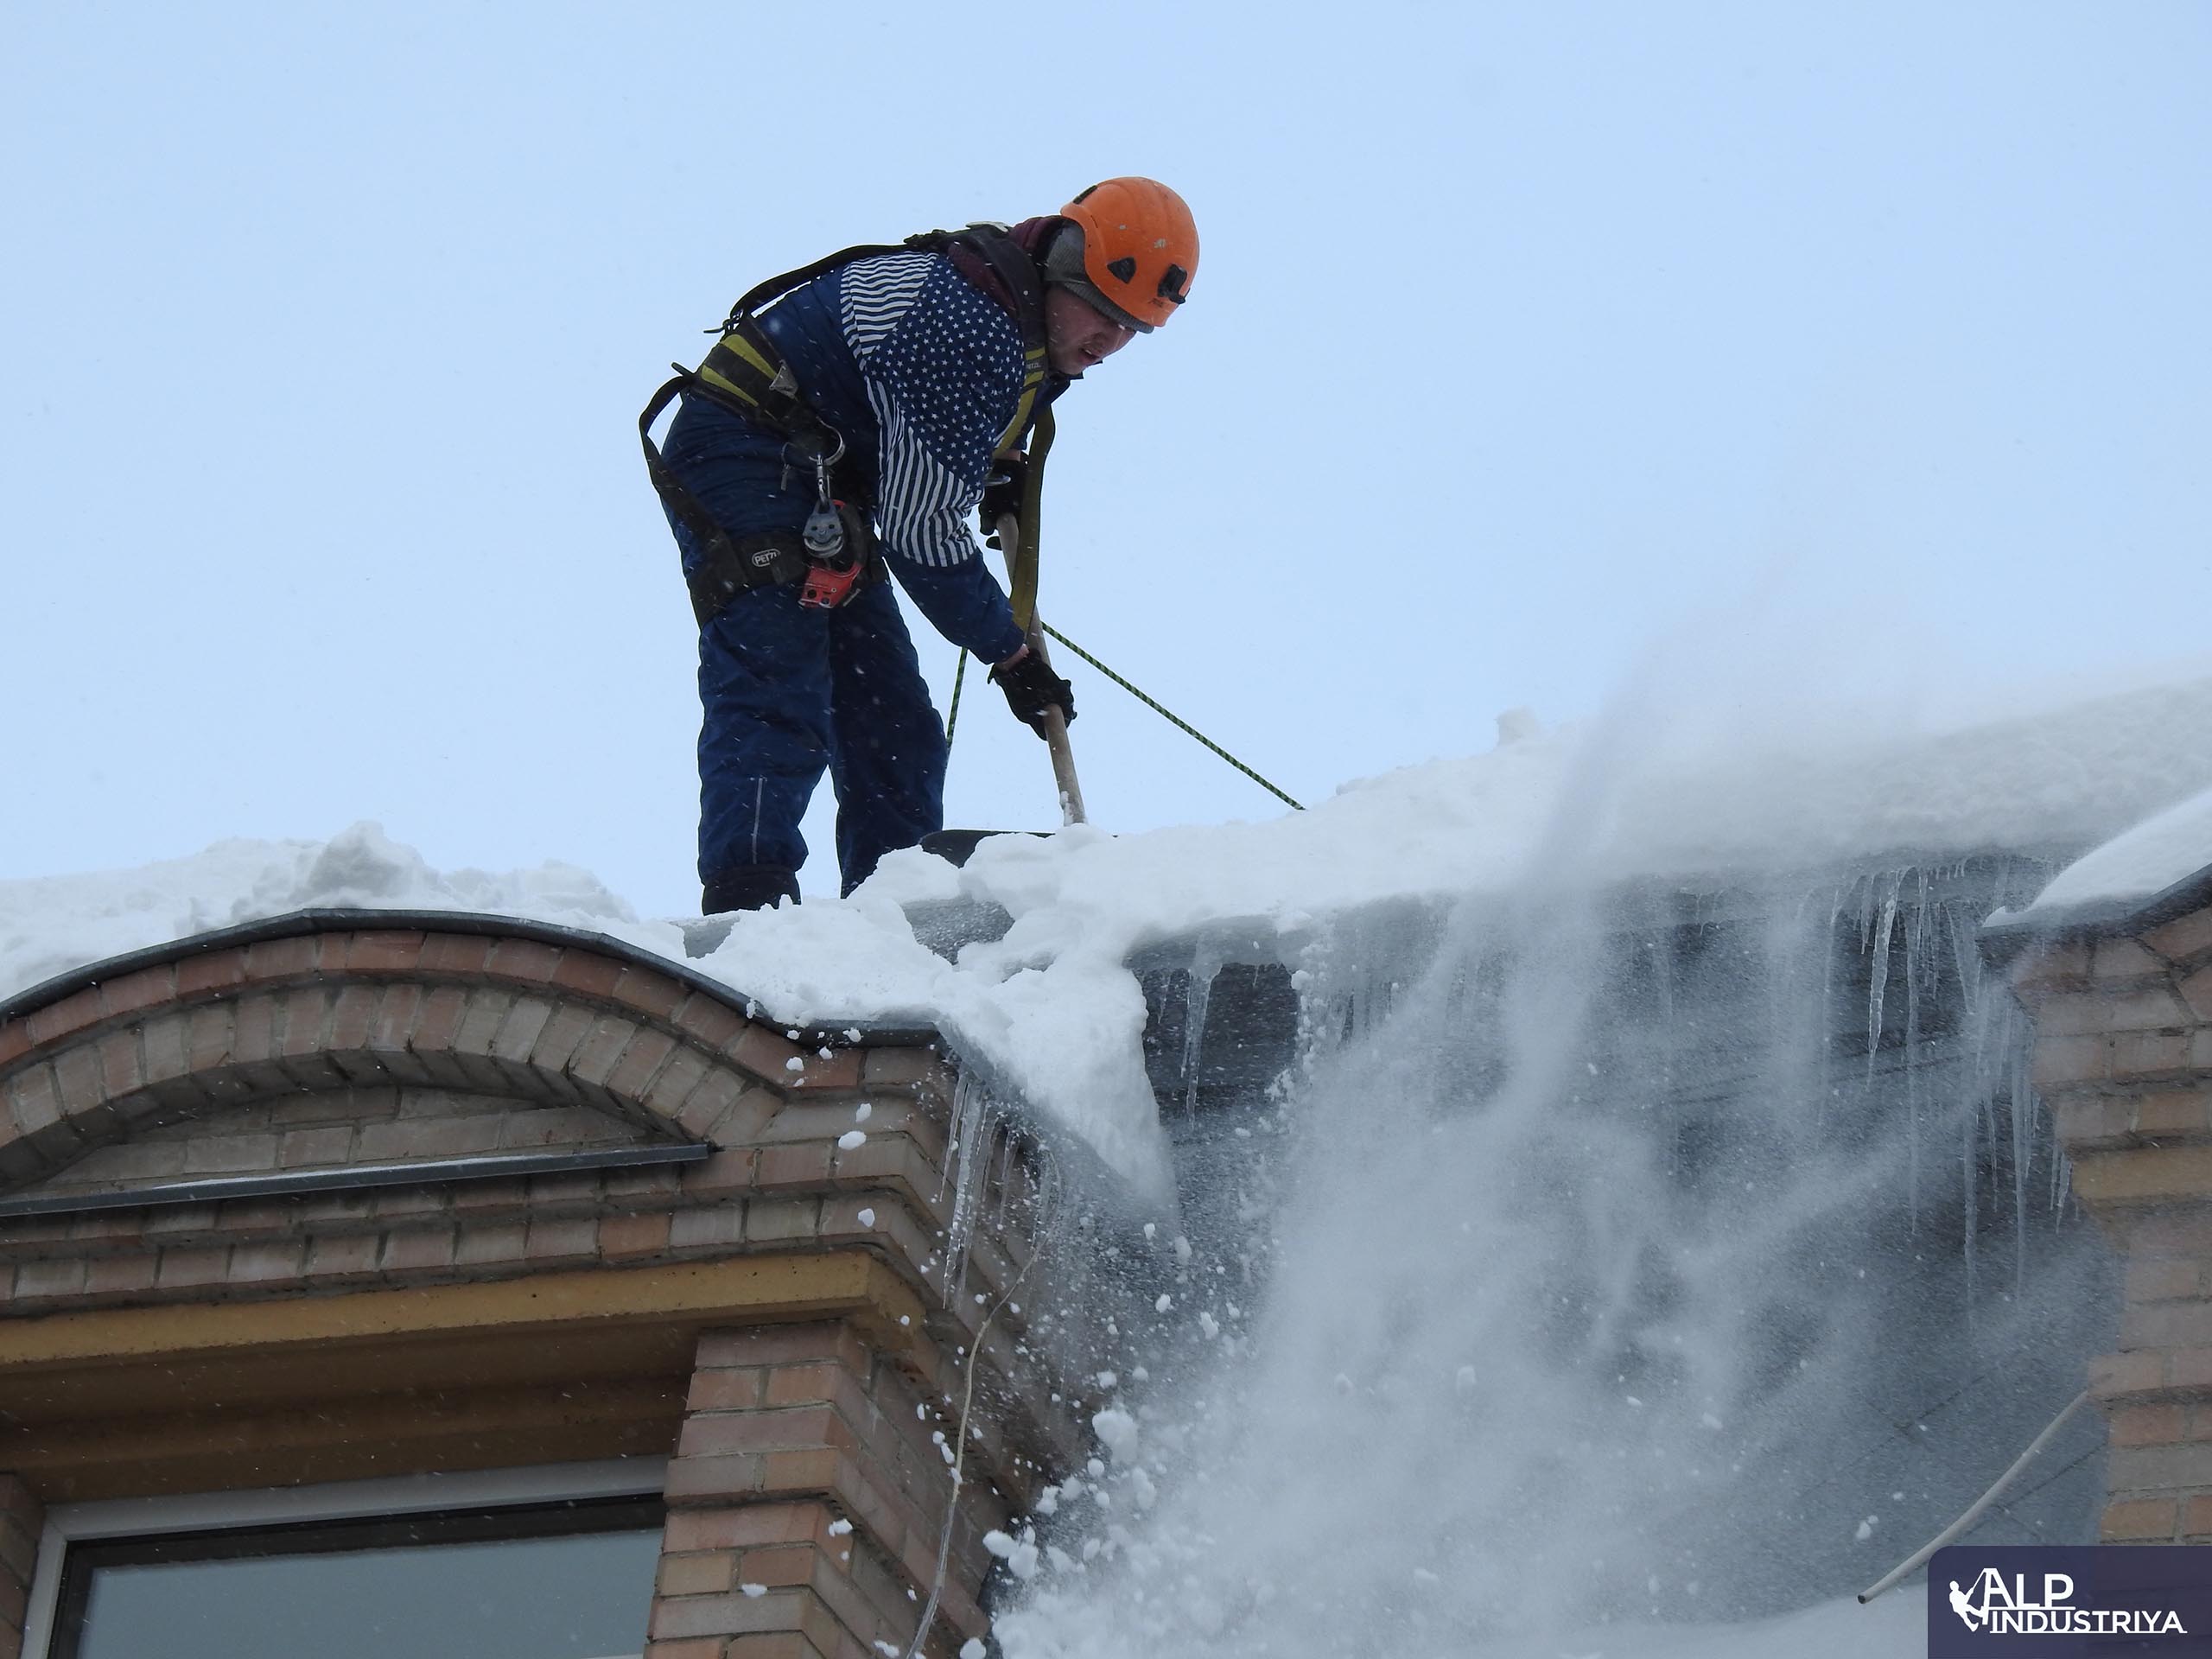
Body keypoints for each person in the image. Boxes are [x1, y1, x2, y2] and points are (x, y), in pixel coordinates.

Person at [641, 178, 1199, 914]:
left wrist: (991, 468)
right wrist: (1010, 651)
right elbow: (921, 534)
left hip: (830, 481)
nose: (1112, 341)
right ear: (1059, 274)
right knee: (780, 679)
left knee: (893, 721)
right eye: (1100, 311)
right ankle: (747, 907)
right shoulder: (970, 323)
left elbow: (928, 450)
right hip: (749, 446)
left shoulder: (1026, 329)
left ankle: (892, 916)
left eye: (1134, 328)